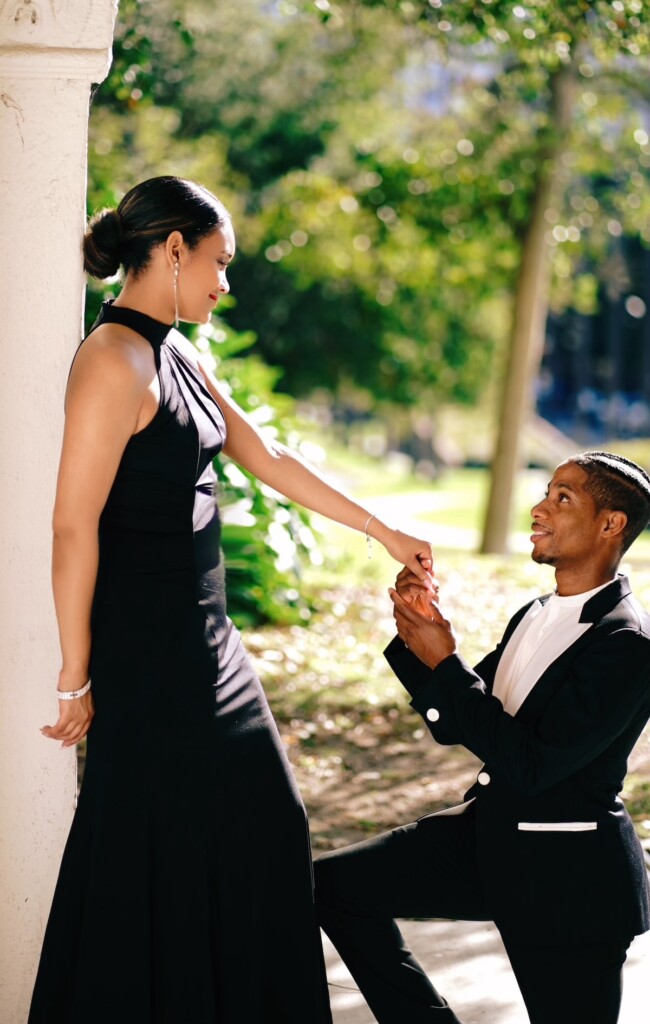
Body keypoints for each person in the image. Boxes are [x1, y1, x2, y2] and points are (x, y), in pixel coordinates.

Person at [28, 175, 434, 1024]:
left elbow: (267, 457)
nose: (225, 282)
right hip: (150, 658)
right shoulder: (113, 360)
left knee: (260, 837)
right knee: (155, 856)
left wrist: (383, 531)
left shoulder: (179, 349)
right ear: (172, 249)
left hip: (209, 647)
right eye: (218, 262)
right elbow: (73, 527)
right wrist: (76, 678)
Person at [315, 452, 650, 1024]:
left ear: (611, 524)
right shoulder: (535, 613)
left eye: (563, 498)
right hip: (487, 842)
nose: (539, 508)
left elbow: (531, 765)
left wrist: (444, 663)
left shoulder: (627, 643)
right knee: (330, 886)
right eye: (546, 490)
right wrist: (418, 634)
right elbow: (463, 720)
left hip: (569, 882)